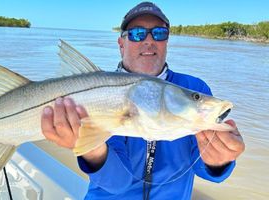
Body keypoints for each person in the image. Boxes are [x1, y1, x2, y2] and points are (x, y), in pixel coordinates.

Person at [41, 1, 245, 199]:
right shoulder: (107, 95)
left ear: (167, 41)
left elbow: (205, 169)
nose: (149, 40)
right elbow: (117, 183)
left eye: (159, 33)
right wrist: (91, 148)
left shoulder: (194, 88)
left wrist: (219, 161)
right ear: (121, 44)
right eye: (137, 33)